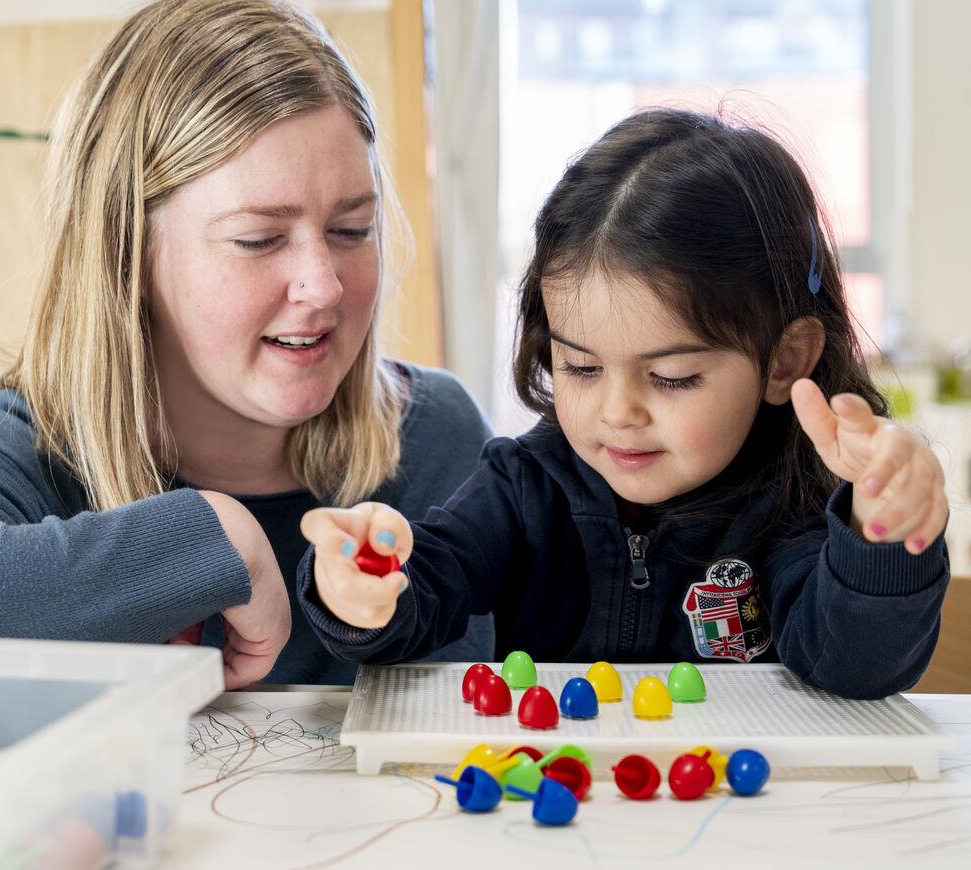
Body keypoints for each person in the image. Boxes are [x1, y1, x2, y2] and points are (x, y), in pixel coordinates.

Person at [0, 0, 493, 689]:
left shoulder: (436, 438)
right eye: (258, 240)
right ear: (126, 254)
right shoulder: (21, 455)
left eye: (352, 231)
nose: (324, 286)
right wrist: (209, 539)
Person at [298, 108, 950, 699]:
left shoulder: (798, 506)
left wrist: (878, 537)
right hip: (557, 808)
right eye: (580, 366)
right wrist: (357, 587)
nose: (618, 413)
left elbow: (856, 669)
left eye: (670, 377)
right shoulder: (524, 488)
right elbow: (423, 593)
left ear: (783, 361)